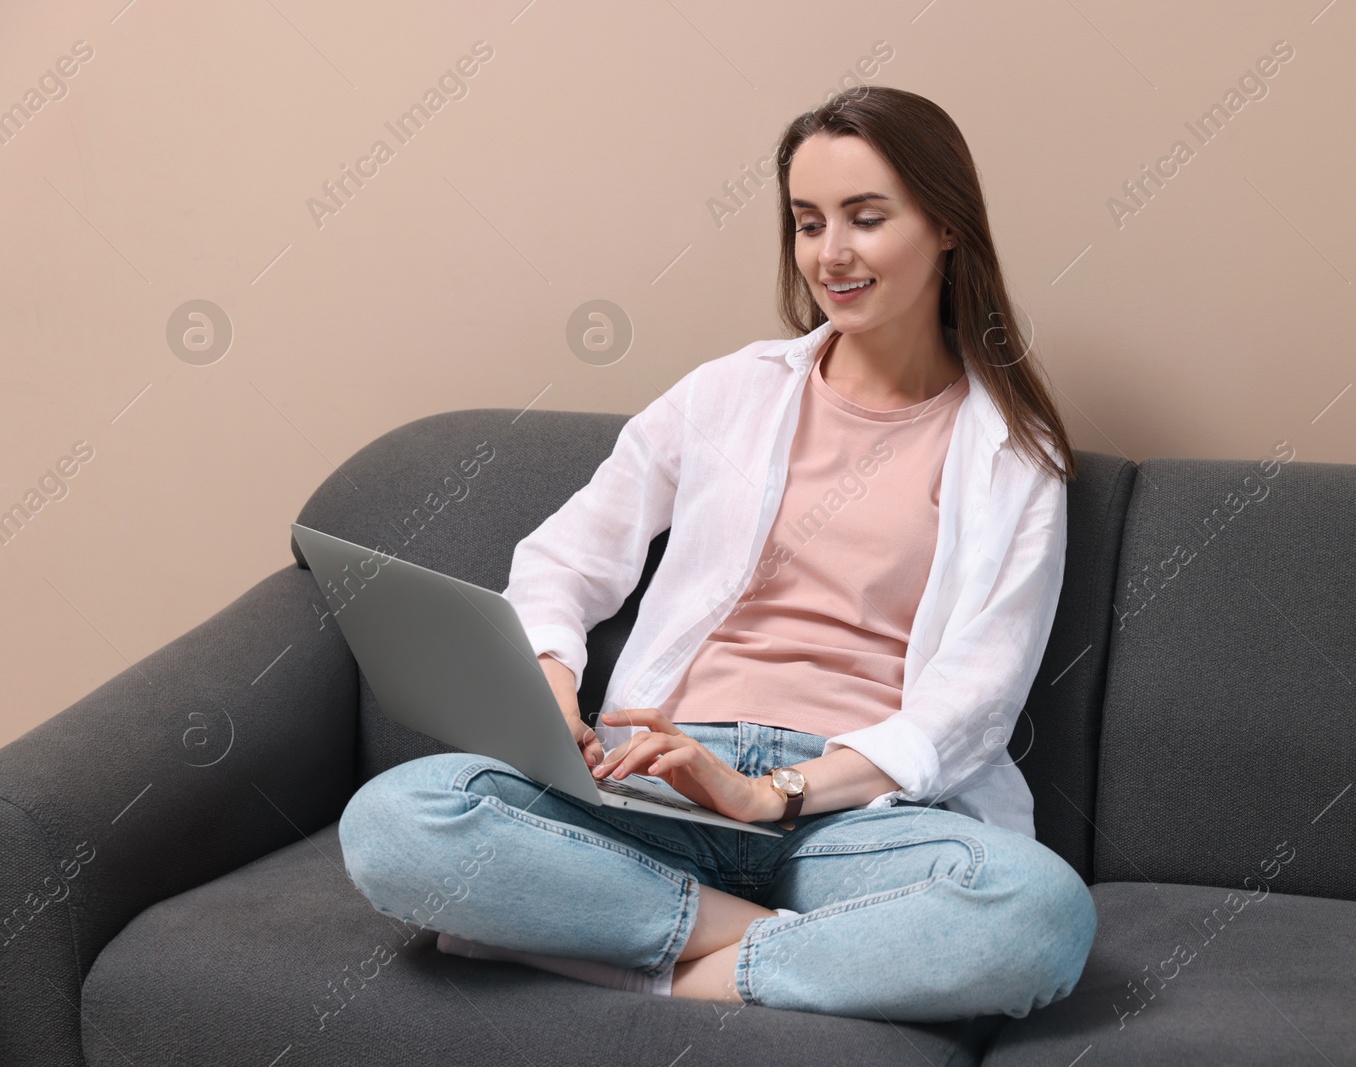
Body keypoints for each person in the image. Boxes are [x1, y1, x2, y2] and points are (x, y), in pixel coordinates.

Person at [339, 85, 1096, 1023]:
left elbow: (974, 701)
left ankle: (648, 960)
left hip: (848, 818)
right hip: (658, 784)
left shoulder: (1015, 452)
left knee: (1038, 912)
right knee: (399, 820)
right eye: (807, 222)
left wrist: (765, 794)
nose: (831, 254)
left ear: (946, 225)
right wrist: (550, 680)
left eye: (867, 217)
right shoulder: (727, 394)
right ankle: (774, 945)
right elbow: (563, 558)